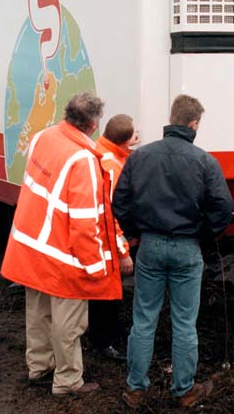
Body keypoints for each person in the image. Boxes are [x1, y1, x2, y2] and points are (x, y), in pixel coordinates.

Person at [112, 94, 234, 409]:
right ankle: (184, 390)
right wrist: (202, 235)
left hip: (150, 246)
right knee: (183, 322)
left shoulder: (140, 157)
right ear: (194, 124)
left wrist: (138, 231)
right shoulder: (205, 161)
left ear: (172, 117)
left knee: (143, 319)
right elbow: (223, 209)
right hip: (187, 248)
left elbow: (120, 203)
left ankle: (135, 390)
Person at [0, 92, 124, 397]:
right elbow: (84, 224)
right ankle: (68, 381)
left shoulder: (43, 138)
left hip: (31, 248)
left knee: (38, 312)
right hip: (60, 257)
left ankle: (39, 367)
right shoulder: (83, 160)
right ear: (94, 124)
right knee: (69, 324)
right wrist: (96, 269)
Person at [88, 114, 139, 360]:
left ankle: (108, 331)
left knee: (107, 291)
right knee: (105, 292)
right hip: (107, 240)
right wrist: (124, 252)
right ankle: (101, 343)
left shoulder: (103, 152)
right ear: (125, 141)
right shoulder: (112, 166)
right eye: (134, 136)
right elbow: (111, 213)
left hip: (101, 237)